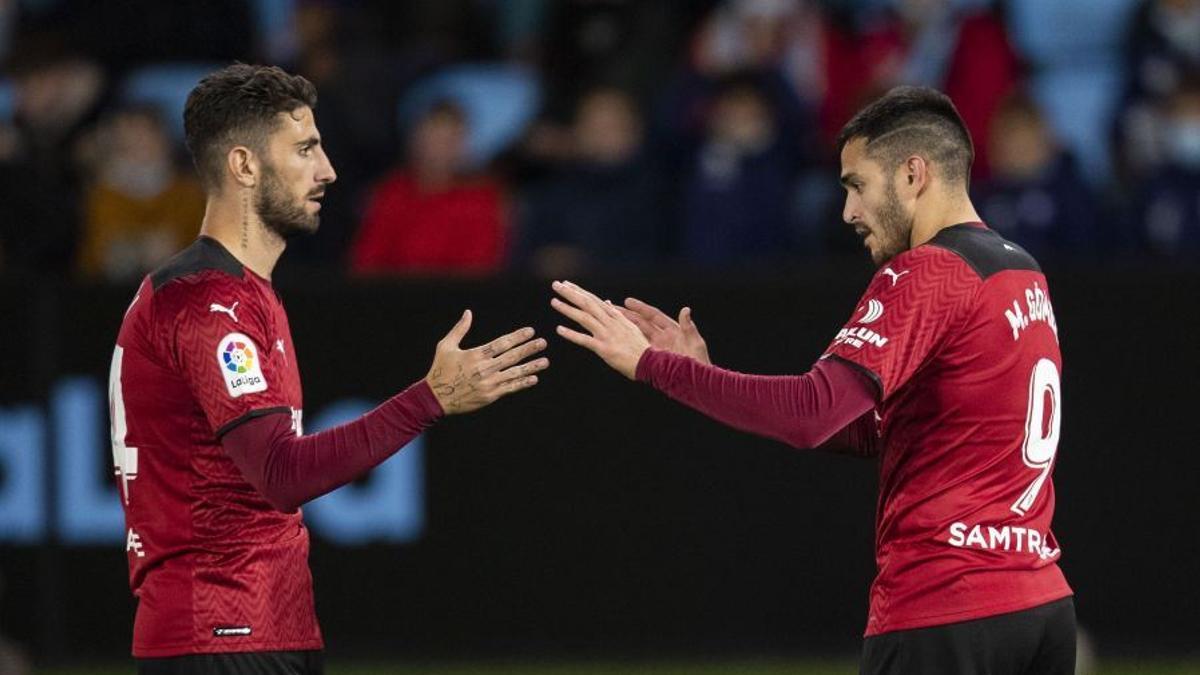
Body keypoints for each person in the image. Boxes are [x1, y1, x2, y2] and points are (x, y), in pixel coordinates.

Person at [550, 86, 1074, 674]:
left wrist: (655, 367)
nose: (847, 211)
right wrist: (706, 376)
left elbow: (813, 410)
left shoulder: (928, 271)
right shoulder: (1021, 272)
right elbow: (881, 428)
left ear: (913, 174)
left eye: (856, 185)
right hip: (1039, 605)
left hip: (946, 608)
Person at [109, 64, 548, 674]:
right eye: (305, 150)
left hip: (253, 628)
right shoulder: (210, 305)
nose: (328, 171)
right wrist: (430, 398)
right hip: (222, 633)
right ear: (244, 166)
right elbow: (282, 473)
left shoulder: (240, 293)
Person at [349, 99, 508, 275]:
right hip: (389, 298)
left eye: (448, 141)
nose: (438, 150)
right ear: (415, 140)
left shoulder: (480, 202)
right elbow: (366, 263)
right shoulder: (391, 193)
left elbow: (478, 271)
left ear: (463, 146)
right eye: (433, 138)